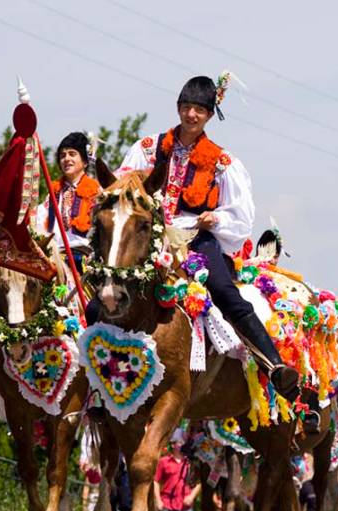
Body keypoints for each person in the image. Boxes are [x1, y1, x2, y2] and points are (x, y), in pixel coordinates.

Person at [114, 74, 299, 402]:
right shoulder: (148, 148)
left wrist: (217, 218)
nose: (191, 115)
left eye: (199, 110)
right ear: (177, 108)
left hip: (194, 237)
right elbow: (120, 187)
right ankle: (93, 375)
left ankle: (274, 365)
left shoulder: (222, 161)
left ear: (210, 115)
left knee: (226, 293)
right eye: (186, 107)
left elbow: (241, 216)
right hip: (149, 234)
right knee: (109, 284)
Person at [35, 132, 102, 270]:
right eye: (62, 155)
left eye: (72, 154)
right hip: (56, 260)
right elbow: (40, 220)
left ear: (84, 162)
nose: (66, 158)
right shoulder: (54, 193)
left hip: (85, 261)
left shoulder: (97, 192)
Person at [154, 429, 201, 511]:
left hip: (185, 502)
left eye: (181, 442)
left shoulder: (191, 462)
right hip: (167, 501)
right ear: (172, 445)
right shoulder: (164, 462)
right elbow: (155, 481)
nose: (179, 445)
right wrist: (158, 500)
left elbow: (198, 483)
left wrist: (192, 496)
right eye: (176, 442)